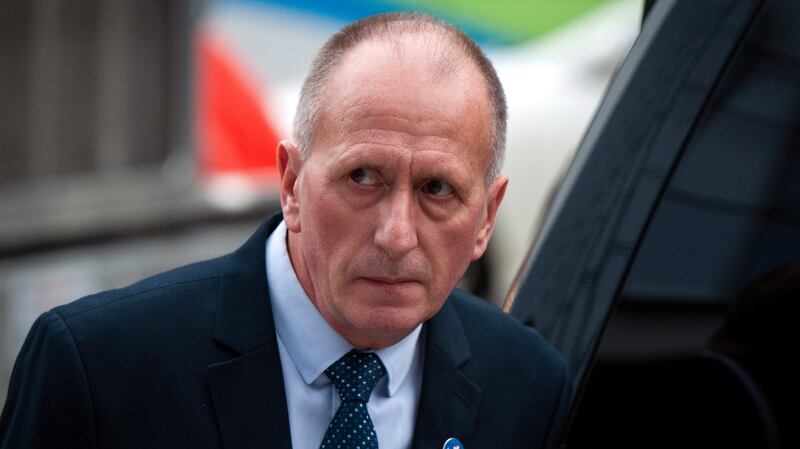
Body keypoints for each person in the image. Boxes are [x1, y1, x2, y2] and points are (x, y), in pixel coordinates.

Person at [0, 12, 570, 449]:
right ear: (292, 183)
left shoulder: (528, 388)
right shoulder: (98, 370)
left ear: (486, 218)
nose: (397, 236)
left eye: (437, 190)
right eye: (363, 177)